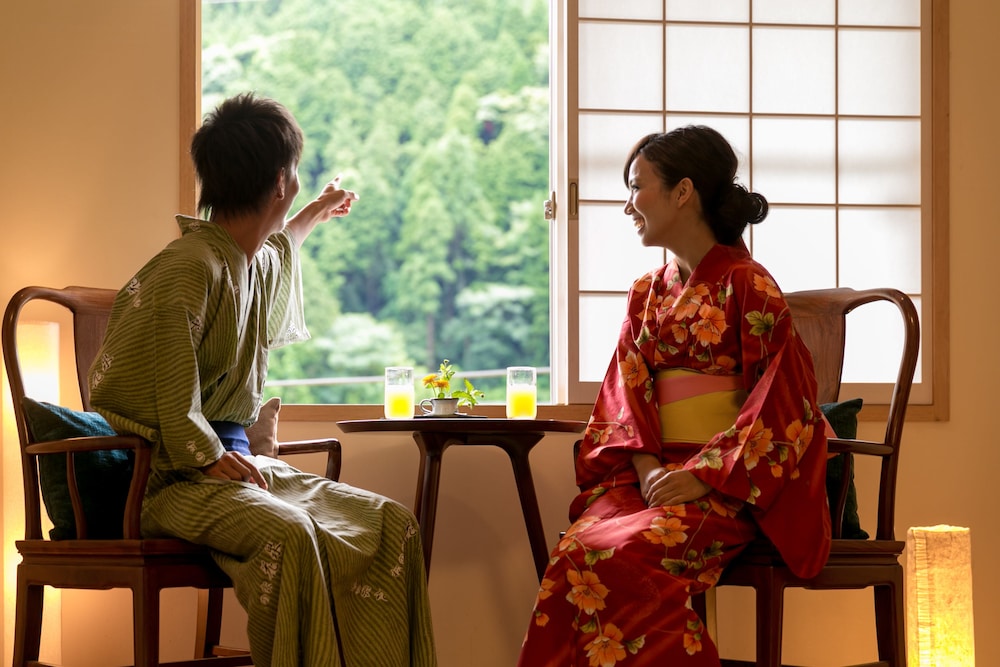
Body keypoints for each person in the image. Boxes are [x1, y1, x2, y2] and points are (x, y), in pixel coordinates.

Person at [88, 92, 437, 667]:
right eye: (294, 175)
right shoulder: (187, 267)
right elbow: (171, 395)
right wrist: (203, 454)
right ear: (280, 181)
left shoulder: (240, 259)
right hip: (165, 480)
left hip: (226, 468)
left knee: (390, 523)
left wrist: (312, 215)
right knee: (293, 535)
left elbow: (279, 247)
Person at [517, 126, 831, 666]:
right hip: (652, 476)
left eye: (637, 187)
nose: (627, 206)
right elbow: (626, 396)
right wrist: (645, 471)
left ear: (683, 192)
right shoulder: (645, 292)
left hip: (728, 485)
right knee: (574, 553)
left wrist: (704, 474)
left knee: (616, 557)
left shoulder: (749, 286)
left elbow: (782, 404)